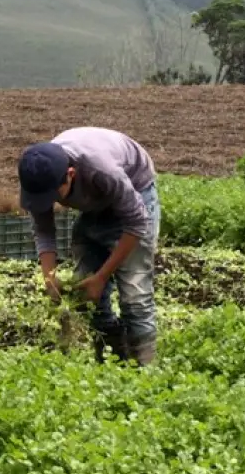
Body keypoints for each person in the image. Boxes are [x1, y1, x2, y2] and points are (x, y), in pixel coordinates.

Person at [17, 127, 160, 365]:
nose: (50, 202)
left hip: (136, 190)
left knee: (135, 297)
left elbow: (137, 223)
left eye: (54, 195)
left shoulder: (102, 170)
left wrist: (102, 276)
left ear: (71, 174)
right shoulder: (37, 177)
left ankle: (145, 373)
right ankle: (112, 359)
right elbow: (44, 230)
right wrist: (49, 279)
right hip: (96, 200)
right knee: (86, 296)